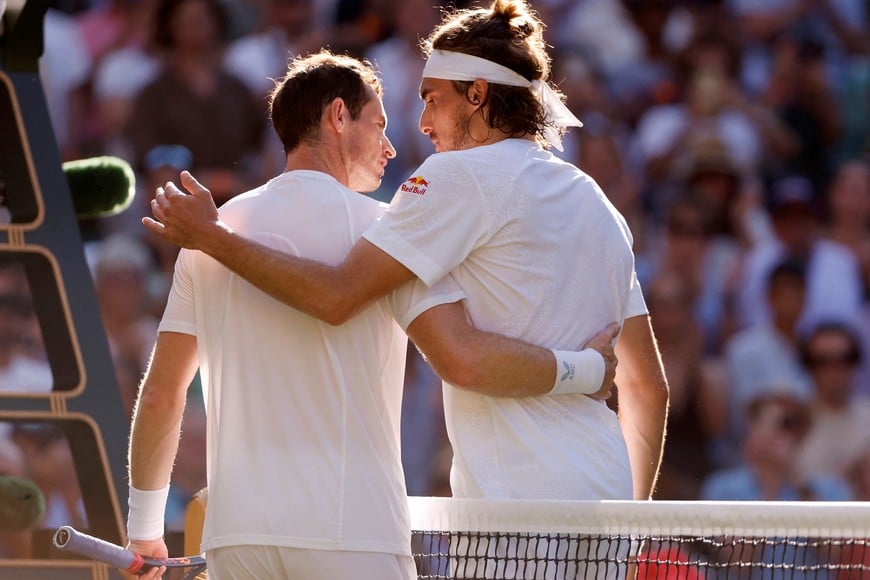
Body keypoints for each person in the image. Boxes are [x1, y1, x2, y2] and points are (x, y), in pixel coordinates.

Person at [146, 0, 669, 503]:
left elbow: (337, 296)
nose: (422, 124)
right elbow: (647, 388)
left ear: (478, 96)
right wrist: (633, 517)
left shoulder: (454, 175)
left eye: (433, 99)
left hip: (519, 507)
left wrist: (211, 237)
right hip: (609, 503)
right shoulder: (597, 201)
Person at [127, 50, 618, 580]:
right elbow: (462, 357)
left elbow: (161, 394)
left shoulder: (208, 234)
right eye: (378, 124)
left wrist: (144, 530)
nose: (390, 147)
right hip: (354, 535)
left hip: (237, 539)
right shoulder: (389, 232)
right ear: (338, 117)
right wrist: (586, 369)